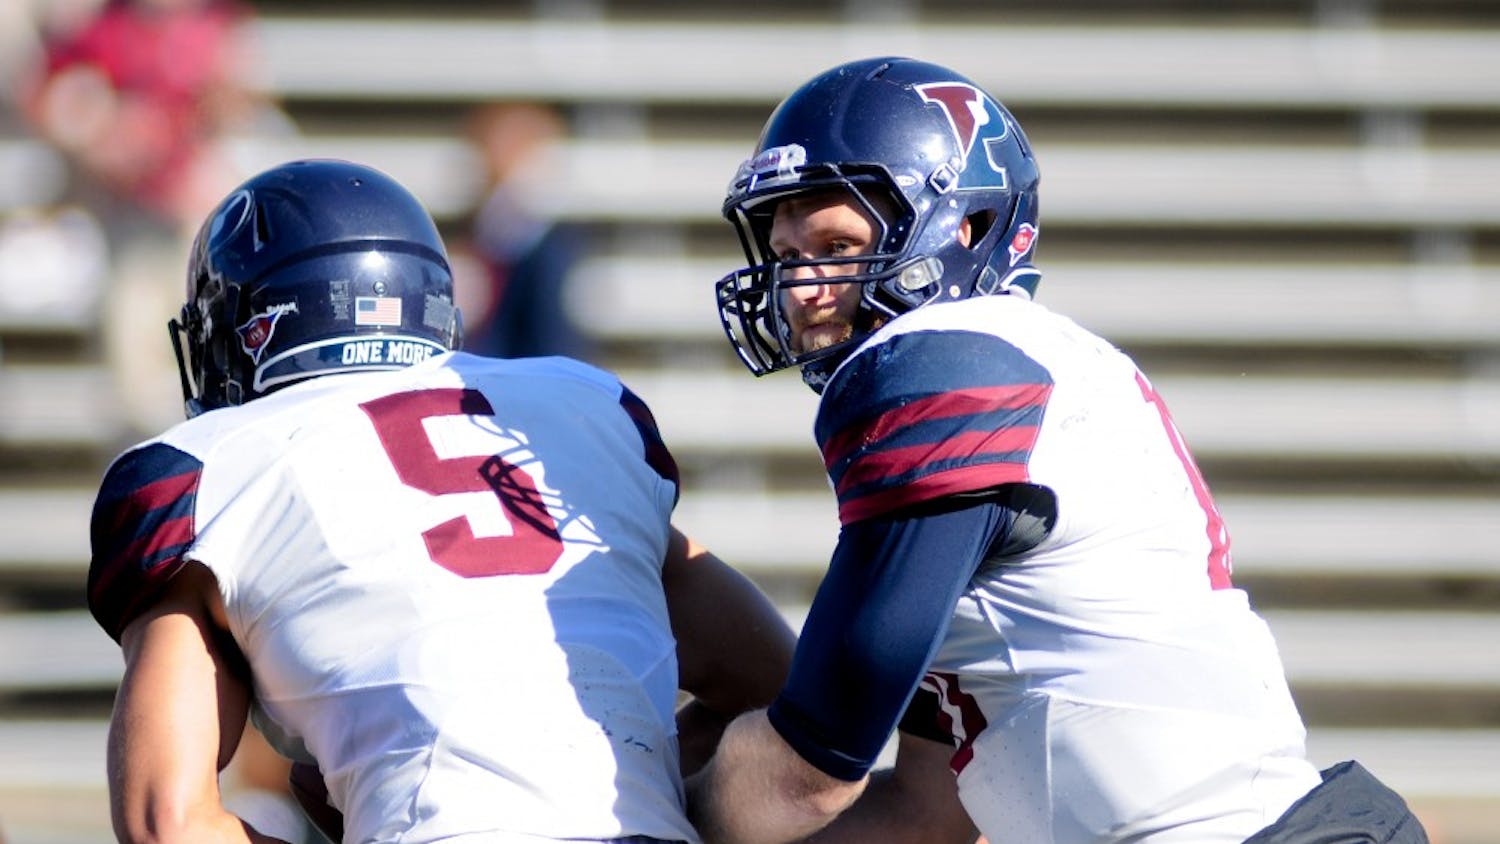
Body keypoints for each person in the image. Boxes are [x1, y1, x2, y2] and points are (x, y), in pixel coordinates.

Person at [687, 57, 1430, 844]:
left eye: (835, 244)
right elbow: (925, 814)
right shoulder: (1027, 360)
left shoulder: (941, 361)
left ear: (962, 227)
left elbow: (808, 771)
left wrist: (646, 816)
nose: (802, 288)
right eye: (787, 254)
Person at [88, 159, 795, 843]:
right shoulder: (585, 405)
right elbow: (775, 685)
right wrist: (635, 779)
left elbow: (168, 823)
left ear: (253, 328)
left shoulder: (214, 465)